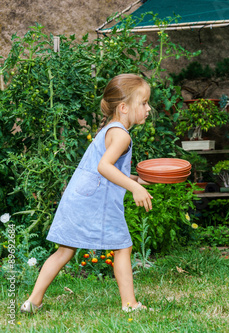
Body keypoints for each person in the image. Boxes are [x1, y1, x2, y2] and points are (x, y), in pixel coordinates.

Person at [21, 73, 153, 313]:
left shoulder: (112, 129)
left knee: (64, 252)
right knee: (123, 247)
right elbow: (104, 167)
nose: (148, 108)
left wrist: (137, 178)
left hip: (79, 200)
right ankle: (130, 304)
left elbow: (106, 169)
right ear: (123, 107)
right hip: (95, 203)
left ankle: (32, 302)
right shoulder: (121, 134)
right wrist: (134, 187)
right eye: (143, 103)